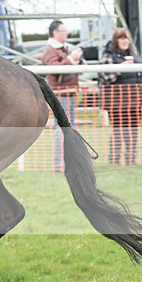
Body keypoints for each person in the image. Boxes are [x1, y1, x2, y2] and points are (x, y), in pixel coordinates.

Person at [40, 20, 85, 172]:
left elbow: (75, 69)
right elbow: (55, 70)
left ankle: (68, 161)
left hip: (69, 93)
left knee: (68, 129)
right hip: (60, 94)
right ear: (56, 33)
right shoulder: (50, 50)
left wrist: (77, 60)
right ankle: (59, 163)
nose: (67, 34)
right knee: (62, 130)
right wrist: (71, 59)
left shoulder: (63, 49)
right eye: (64, 31)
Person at [99, 28, 142, 166]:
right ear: (116, 40)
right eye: (121, 38)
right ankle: (114, 160)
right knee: (118, 132)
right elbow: (105, 76)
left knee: (133, 132)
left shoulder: (134, 55)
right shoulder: (108, 55)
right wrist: (121, 67)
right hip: (117, 102)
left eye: (126, 38)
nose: (125, 41)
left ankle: (131, 159)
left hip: (135, 101)